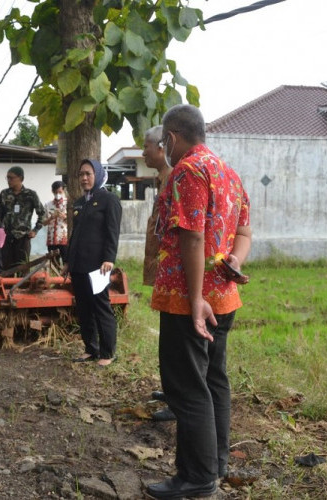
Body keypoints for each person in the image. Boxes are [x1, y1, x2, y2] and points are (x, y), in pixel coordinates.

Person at [147, 104, 251, 499]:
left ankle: (196, 477)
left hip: (189, 301)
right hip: (224, 298)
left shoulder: (188, 171)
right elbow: (244, 230)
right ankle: (216, 462)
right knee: (213, 381)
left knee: (187, 388)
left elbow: (191, 238)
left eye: (163, 143)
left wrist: (194, 300)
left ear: (171, 138)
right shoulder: (228, 173)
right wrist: (234, 261)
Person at [63, 159, 122, 367]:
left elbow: (112, 232)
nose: (84, 178)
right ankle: (91, 349)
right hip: (79, 265)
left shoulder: (109, 200)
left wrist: (109, 258)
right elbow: (75, 235)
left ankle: (107, 352)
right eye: (81, 174)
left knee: (100, 307)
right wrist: (68, 261)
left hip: (99, 266)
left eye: (88, 173)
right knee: (84, 309)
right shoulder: (80, 202)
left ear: (97, 175)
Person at [140, 125, 176, 422]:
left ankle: (178, 395)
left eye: (146, 147)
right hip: (162, 265)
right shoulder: (162, 178)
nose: (143, 152)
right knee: (168, 331)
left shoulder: (175, 179)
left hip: (172, 267)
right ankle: (171, 387)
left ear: (162, 147)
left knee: (175, 335)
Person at [0, 166, 45, 271]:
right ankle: (8, 287)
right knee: (6, 268)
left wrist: (35, 230)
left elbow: (42, 213)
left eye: (11, 178)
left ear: (20, 178)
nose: (9, 181)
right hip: (6, 236)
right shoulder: (4, 194)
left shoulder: (31, 195)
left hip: (23, 237)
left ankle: (23, 287)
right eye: (7, 178)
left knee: (23, 268)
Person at [43, 180, 68, 264]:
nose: (58, 194)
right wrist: (51, 217)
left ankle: (66, 277)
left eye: (60, 192)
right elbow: (43, 222)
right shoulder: (48, 205)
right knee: (54, 263)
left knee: (66, 262)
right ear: (52, 192)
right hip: (52, 240)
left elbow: (72, 222)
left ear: (63, 191)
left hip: (64, 239)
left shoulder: (68, 204)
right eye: (56, 192)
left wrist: (63, 216)